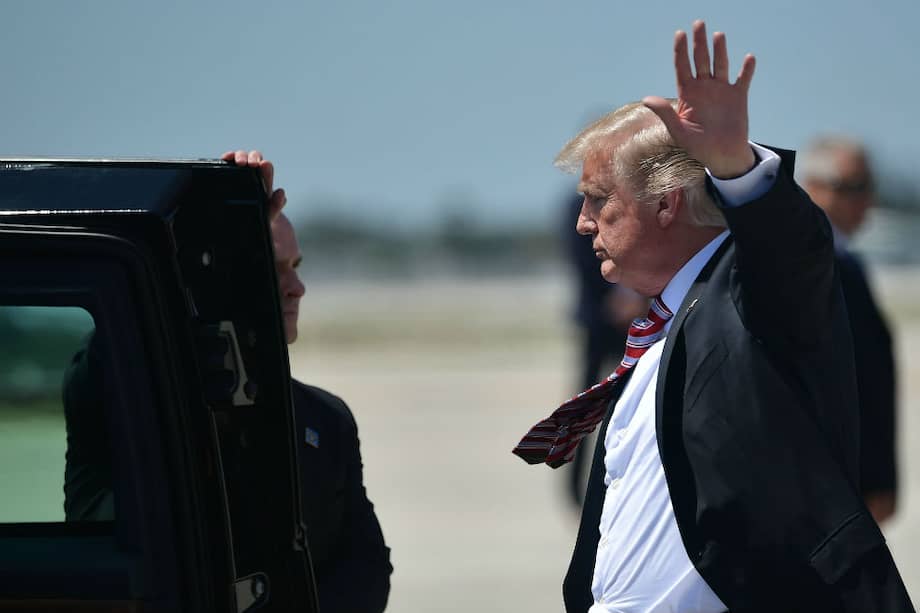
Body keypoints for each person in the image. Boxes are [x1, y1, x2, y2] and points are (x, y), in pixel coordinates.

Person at [512, 21, 912, 612]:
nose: (583, 222)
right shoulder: (657, 329)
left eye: (599, 199)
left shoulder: (748, 295)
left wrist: (735, 166)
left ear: (666, 203)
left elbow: (794, 251)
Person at [223, 150, 393, 613]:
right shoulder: (151, 403)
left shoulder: (326, 418)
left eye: (295, 267)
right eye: (272, 268)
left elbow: (367, 568)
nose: (296, 288)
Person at [799, 137, 898, 524]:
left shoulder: (847, 263)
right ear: (813, 187)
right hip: (826, 485)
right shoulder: (810, 265)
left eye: (869, 188)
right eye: (853, 187)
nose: (866, 201)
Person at [560, 192, 647, 508]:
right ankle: (573, 489)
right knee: (585, 406)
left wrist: (637, 298)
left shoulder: (638, 202)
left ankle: (619, 485)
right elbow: (580, 260)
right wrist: (612, 299)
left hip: (637, 319)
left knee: (631, 403)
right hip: (598, 321)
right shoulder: (574, 207)